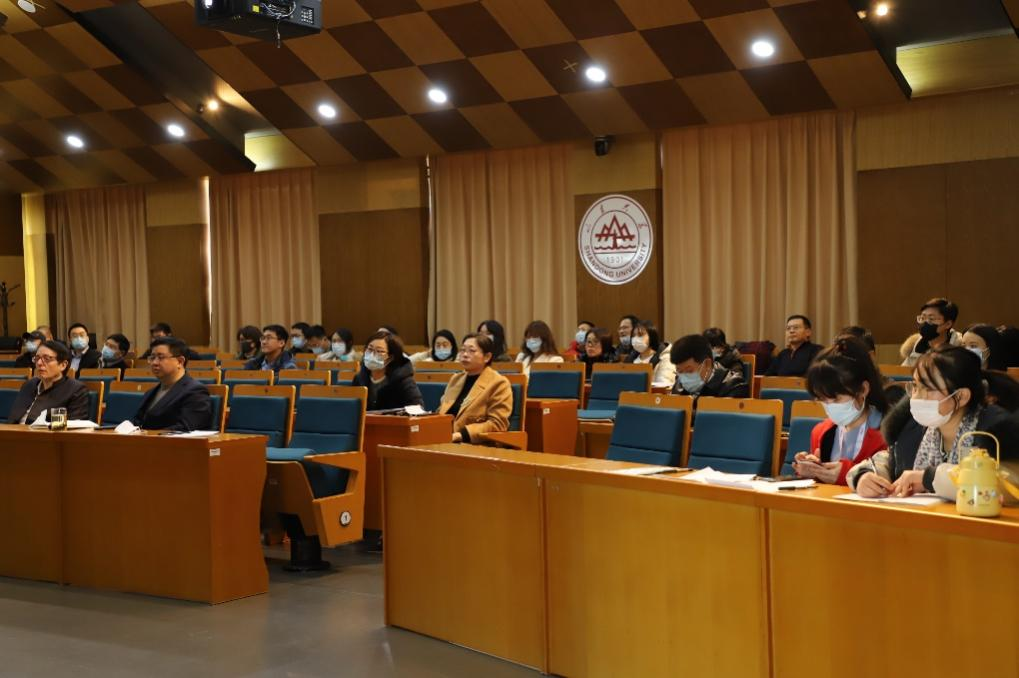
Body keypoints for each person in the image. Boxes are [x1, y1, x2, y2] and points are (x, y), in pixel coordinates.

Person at [847, 346, 1019, 498]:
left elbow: (1008, 483)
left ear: (961, 396)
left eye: (928, 388)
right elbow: (889, 459)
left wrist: (929, 478)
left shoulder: (994, 431)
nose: (917, 396)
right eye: (915, 386)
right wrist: (865, 476)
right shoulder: (912, 428)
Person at [793, 337, 889, 485]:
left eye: (836, 399)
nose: (830, 406)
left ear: (863, 389)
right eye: (823, 400)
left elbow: (889, 482)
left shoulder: (888, 433)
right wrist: (813, 470)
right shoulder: (821, 432)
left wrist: (845, 474)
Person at [438, 333, 512, 443]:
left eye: (471, 351)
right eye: (463, 350)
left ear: (487, 357)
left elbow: (497, 424)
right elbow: (441, 411)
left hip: (475, 444)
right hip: (444, 439)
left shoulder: (498, 383)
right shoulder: (455, 379)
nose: (465, 354)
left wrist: (460, 435)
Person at [131, 337, 213, 431]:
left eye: (161, 357)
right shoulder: (150, 392)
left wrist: (148, 434)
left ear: (180, 361)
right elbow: (138, 421)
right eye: (152, 358)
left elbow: (187, 427)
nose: (154, 363)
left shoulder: (196, 392)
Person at [7, 340, 89, 424]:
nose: (39, 363)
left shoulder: (75, 390)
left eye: (47, 359)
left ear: (63, 365)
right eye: (37, 358)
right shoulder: (29, 385)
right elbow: (12, 418)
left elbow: (75, 426)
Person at [353, 331, 422, 411]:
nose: (372, 355)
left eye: (379, 351)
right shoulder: (359, 379)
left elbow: (417, 408)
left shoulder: (403, 381)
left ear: (390, 358)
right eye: (370, 349)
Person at [670, 334, 748, 400]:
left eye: (689, 371)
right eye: (680, 371)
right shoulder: (679, 385)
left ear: (707, 364)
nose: (684, 378)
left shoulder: (734, 386)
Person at [900, 298, 962, 366]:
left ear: (948, 324)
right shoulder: (915, 349)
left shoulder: (961, 349)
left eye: (931, 319)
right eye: (922, 318)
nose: (924, 323)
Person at [626, 321, 676, 389]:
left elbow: (664, 385)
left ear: (651, 336)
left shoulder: (664, 358)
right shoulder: (630, 359)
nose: (635, 339)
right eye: (633, 336)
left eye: (640, 335)